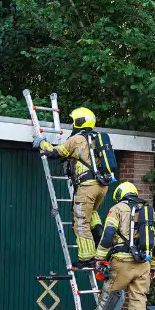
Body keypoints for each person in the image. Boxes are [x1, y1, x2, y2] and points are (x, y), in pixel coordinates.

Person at [87, 182, 155, 310]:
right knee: (138, 299)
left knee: (109, 292)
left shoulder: (118, 209)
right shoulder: (151, 213)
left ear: (120, 194)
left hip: (122, 261)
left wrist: (99, 257)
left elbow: (108, 235)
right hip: (144, 263)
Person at [35, 107, 110, 268]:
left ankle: (87, 258)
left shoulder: (77, 139)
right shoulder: (98, 138)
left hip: (87, 186)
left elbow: (57, 152)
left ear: (79, 122)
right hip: (102, 186)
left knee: (81, 221)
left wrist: (42, 143)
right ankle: (99, 244)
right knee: (92, 214)